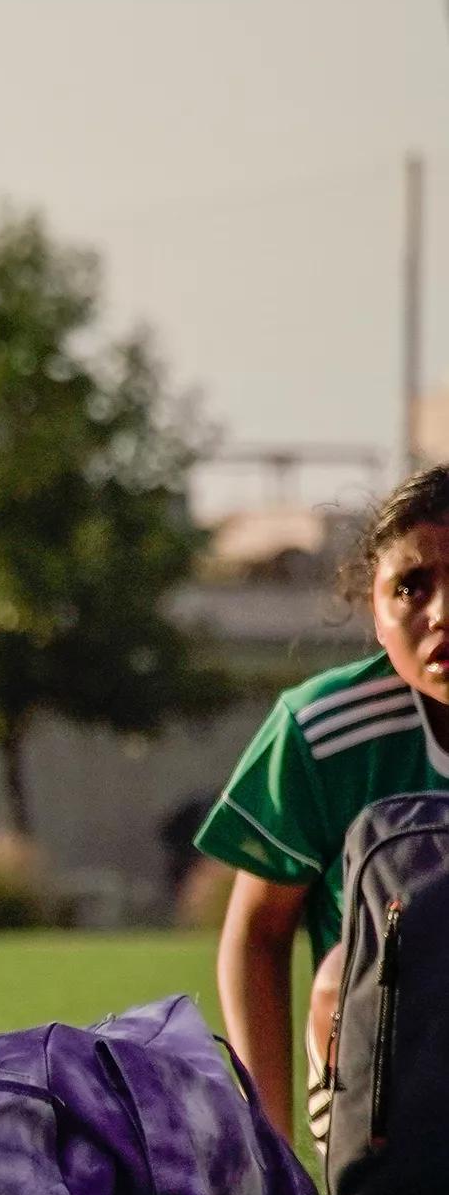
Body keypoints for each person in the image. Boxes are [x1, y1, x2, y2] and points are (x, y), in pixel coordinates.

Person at [199, 465, 449, 1151]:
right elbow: (257, 933)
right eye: (411, 587)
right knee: (345, 971)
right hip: (390, 1111)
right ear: (375, 606)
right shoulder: (325, 731)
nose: (441, 612)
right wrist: (271, 1153)